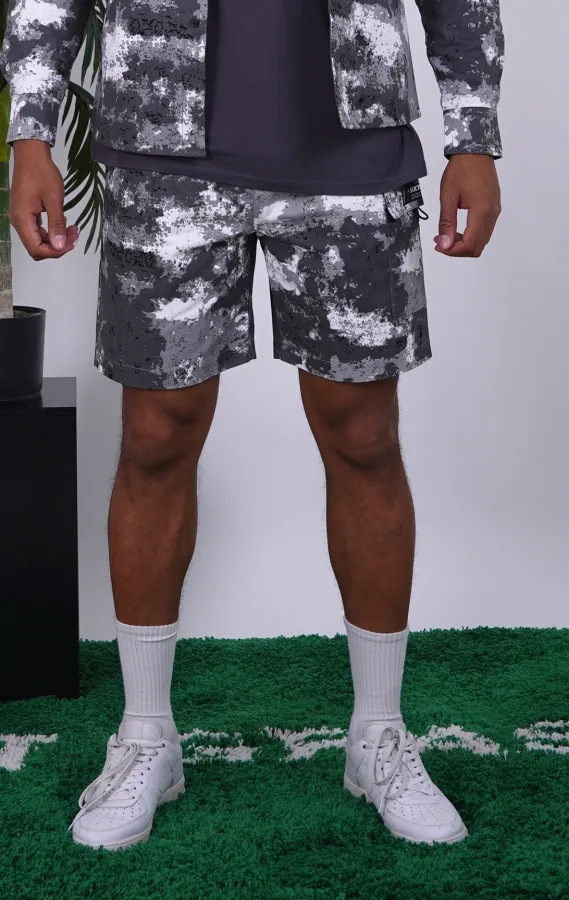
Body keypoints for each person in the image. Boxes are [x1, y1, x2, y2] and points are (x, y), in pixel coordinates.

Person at [0, 0, 503, 850]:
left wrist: (473, 138)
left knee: (363, 436)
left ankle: (378, 736)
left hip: (353, 157)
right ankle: (146, 736)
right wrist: (31, 136)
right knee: (156, 437)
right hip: (163, 157)